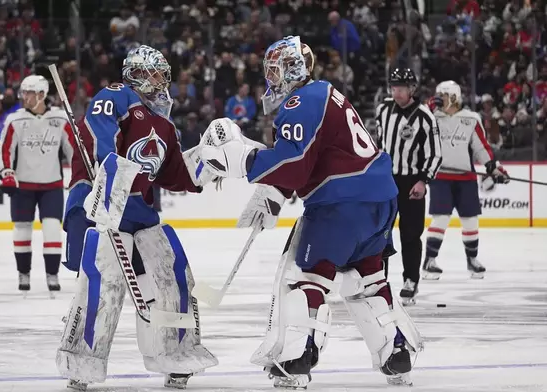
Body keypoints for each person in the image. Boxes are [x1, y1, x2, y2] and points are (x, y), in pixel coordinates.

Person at [198, 36, 422, 389]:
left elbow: (294, 162)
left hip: (340, 205)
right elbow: (313, 157)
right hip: (378, 200)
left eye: (275, 69)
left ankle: (295, 358)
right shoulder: (326, 94)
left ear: (293, 68)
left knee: (303, 277)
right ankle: (396, 352)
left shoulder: (302, 100)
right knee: (369, 279)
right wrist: (274, 193)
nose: (270, 78)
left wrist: (242, 160)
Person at [57, 45, 218, 391]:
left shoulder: (163, 122)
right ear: (137, 74)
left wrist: (210, 162)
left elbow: (175, 174)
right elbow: (100, 137)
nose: (163, 80)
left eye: (164, 73)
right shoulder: (117, 96)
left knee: (171, 273)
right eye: (156, 72)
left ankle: (175, 353)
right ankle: (82, 361)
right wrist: (109, 178)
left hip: (138, 210)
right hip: (97, 201)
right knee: (104, 283)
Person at [0, 75, 75, 294]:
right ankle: (24, 274)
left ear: (41, 95)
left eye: (29, 92)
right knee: (22, 230)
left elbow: (74, 151)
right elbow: (4, 150)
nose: (24, 96)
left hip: (52, 185)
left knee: (52, 229)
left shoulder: (60, 119)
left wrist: (82, 173)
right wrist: (6, 172)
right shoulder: (15, 120)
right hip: (23, 185)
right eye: (24, 92)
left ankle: (52, 275)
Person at [423, 81, 509, 279]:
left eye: (442, 95)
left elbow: (481, 147)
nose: (439, 98)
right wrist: (428, 108)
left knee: (470, 221)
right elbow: (415, 127)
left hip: (466, 177)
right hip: (440, 175)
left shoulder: (471, 118)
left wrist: (493, 167)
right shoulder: (431, 117)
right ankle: (429, 261)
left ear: (453, 96)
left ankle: (472, 260)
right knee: (441, 218)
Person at [375, 68, 443, 305]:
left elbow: (435, 155)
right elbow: (378, 144)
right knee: (378, 233)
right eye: (394, 87)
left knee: (410, 235)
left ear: (412, 89)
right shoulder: (383, 110)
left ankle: (410, 280)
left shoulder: (425, 117)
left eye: (402, 88)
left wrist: (424, 180)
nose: (397, 92)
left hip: (412, 182)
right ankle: (376, 279)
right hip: (385, 181)